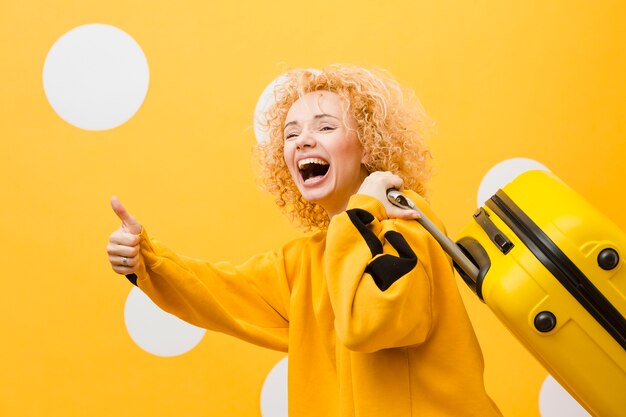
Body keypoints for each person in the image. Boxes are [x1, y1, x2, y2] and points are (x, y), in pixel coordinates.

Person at [106, 65, 502, 417]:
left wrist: (361, 211)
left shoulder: (407, 219)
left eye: (325, 127)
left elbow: (371, 324)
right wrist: (144, 259)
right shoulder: (307, 261)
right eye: (291, 133)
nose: (302, 141)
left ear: (369, 144)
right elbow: (217, 292)